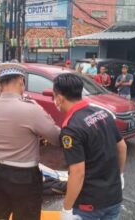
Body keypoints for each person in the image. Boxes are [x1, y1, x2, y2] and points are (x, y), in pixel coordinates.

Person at [0, 63, 60, 220]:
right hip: (24, 176)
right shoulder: (31, 108)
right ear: (21, 81)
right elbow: (57, 138)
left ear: (0, 83)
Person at [53, 74, 127, 220]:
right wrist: (120, 175)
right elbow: (122, 147)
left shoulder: (71, 128)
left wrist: (66, 209)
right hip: (114, 196)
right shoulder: (103, 113)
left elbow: (78, 173)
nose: (54, 101)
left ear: (60, 98)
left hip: (89, 205)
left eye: (54, 96)